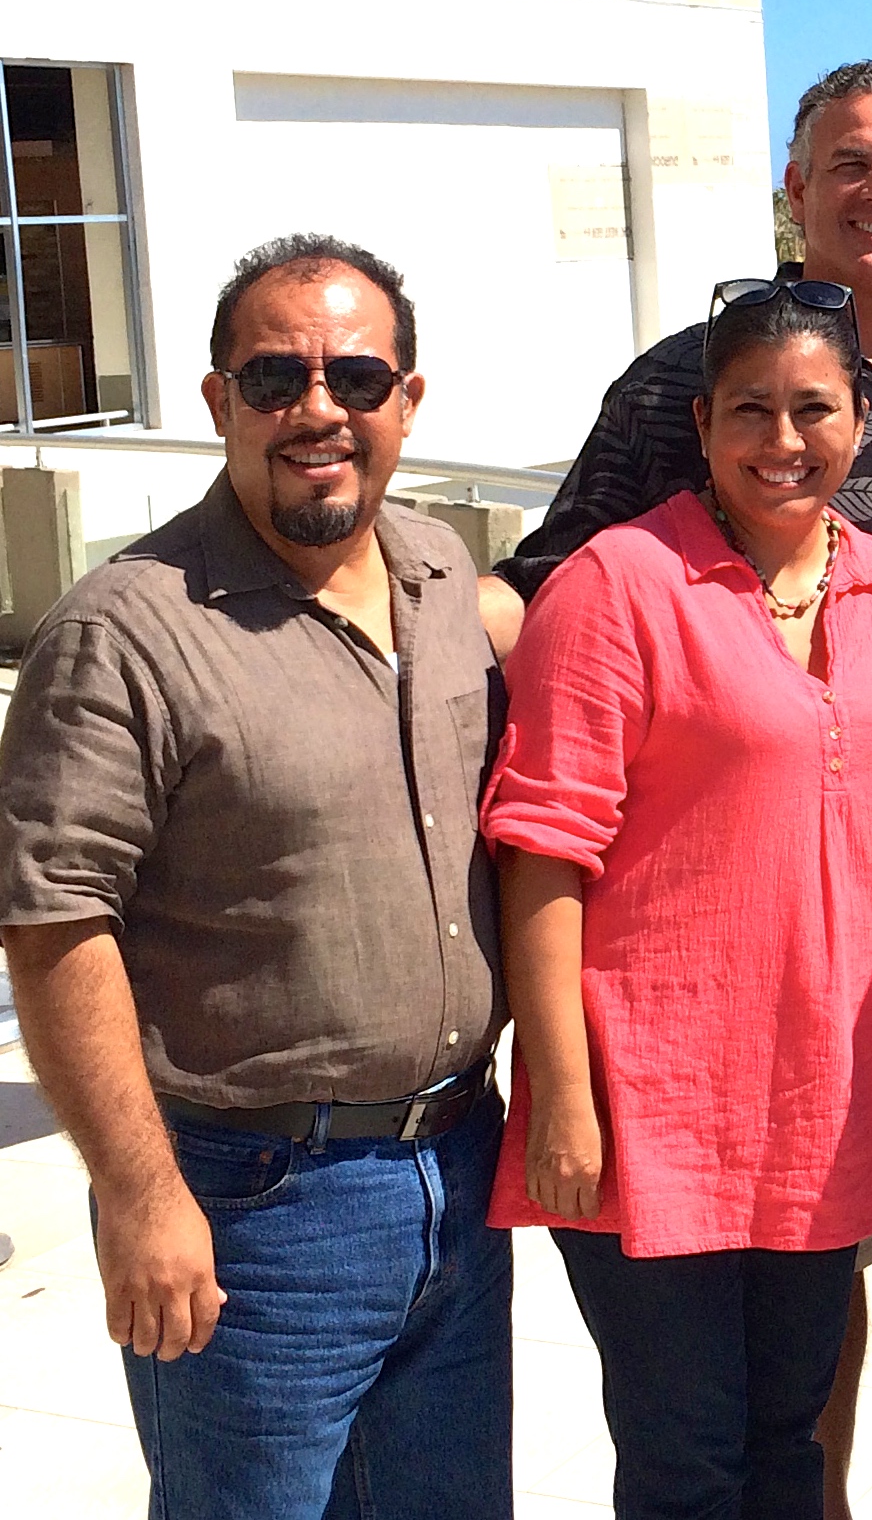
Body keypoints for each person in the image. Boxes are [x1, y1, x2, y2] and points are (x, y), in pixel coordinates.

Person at [487, 57, 872, 1520]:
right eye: (846, 163)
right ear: (796, 186)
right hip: (729, 918)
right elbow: (543, 587)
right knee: (752, 1333)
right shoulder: (669, 393)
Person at [0, 234, 512, 1519]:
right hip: (250, 1210)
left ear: (409, 400)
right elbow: (55, 921)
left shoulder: (445, 576)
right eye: (276, 376)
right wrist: (139, 1195)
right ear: (222, 401)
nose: (318, 408)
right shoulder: (125, 629)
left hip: (459, 1169)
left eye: (356, 375)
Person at [486, 278, 872, 1520]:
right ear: (702, 425)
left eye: (813, 408)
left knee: (787, 1444)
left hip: (831, 1098)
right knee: (686, 1463)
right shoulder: (615, 584)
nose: (782, 440)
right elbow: (541, 851)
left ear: (856, 423)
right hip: (652, 1106)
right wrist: (564, 1097)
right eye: (750, 410)